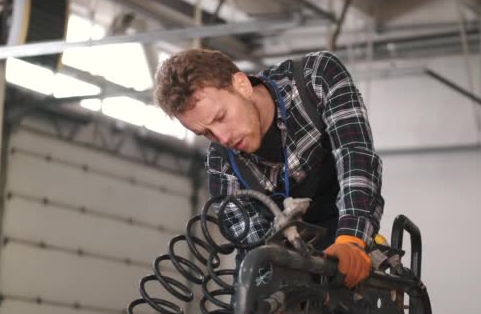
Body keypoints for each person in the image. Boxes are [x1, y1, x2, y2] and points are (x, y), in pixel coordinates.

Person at [154, 49, 384, 289]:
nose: (222, 138)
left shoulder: (315, 79)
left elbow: (355, 155)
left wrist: (351, 239)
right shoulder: (222, 164)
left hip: (344, 232)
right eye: (206, 133)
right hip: (284, 261)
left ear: (241, 85)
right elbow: (256, 247)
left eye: (221, 117)